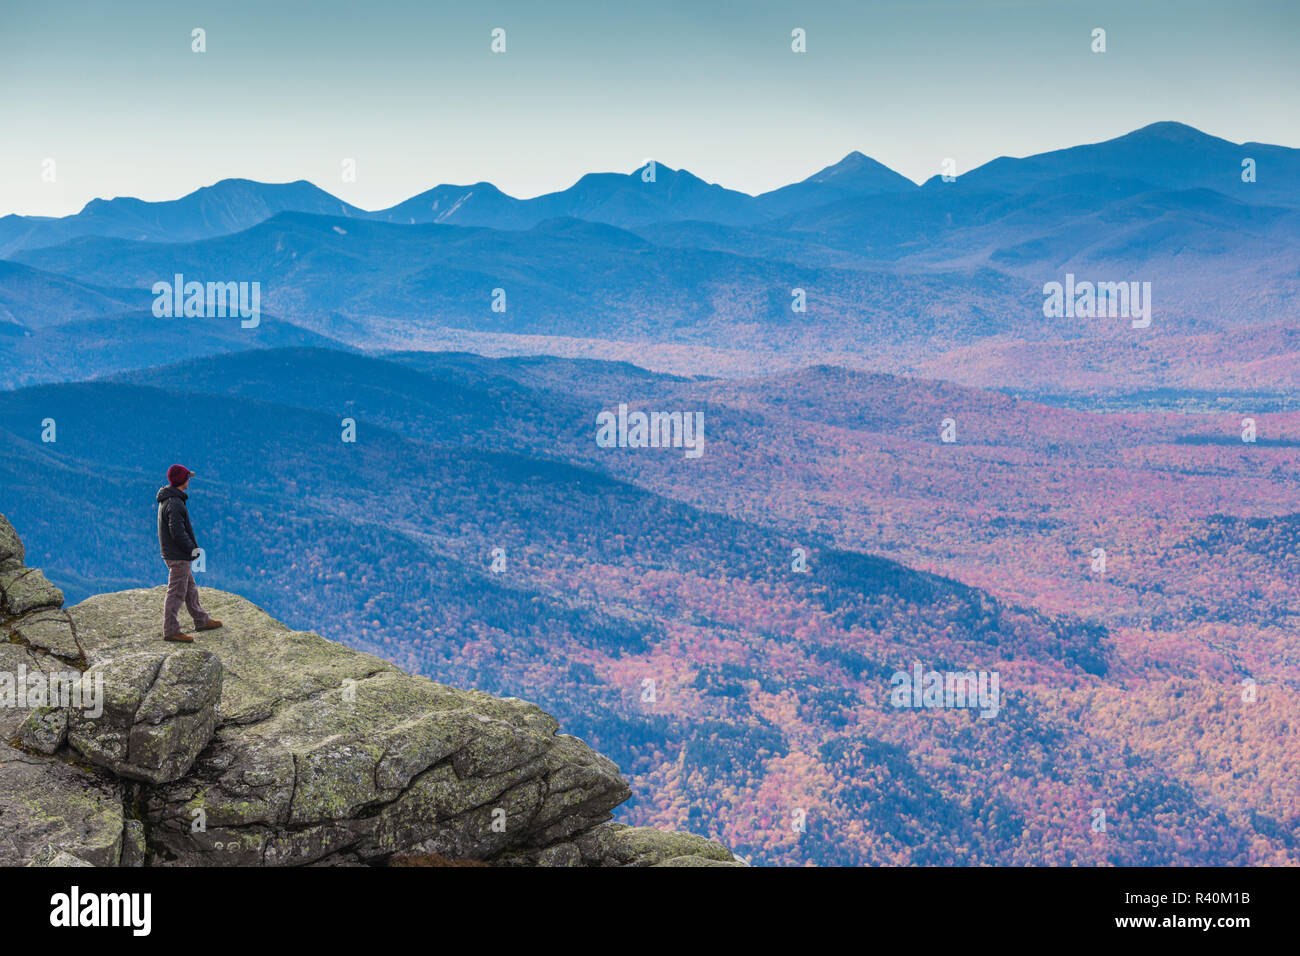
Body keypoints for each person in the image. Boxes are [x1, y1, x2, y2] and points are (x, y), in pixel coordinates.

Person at [157, 464, 222, 642]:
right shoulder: (175, 503)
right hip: (178, 557)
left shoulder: (169, 499)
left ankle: (201, 620)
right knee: (176, 593)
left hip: (176, 555)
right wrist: (192, 549)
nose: (189, 481)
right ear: (182, 481)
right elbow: (177, 532)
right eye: (187, 478)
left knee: (190, 589)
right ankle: (171, 629)